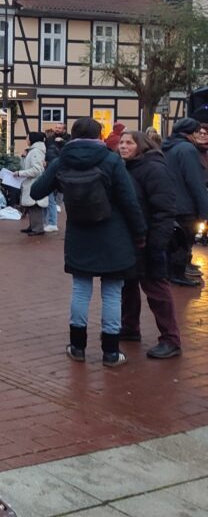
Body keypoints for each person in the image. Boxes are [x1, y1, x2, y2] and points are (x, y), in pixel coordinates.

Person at [31, 117, 146, 367]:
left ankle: (78, 347)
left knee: (81, 291)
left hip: (79, 235)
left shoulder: (62, 161)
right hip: (114, 235)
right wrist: (140, 233)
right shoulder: (112, 160)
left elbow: (36, 191)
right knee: (112, 293)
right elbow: (129, 202)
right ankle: (111, 352)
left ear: (72, 135)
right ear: (99, 135)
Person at [117, 130, 182, 359]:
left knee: (156, 288)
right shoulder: (125, 167)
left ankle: (170, 339)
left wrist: (156, 244)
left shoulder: (154, 168)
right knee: (129, 285)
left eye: (128, 143)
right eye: (121, 143)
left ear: (141, 146)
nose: (123, 146)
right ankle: (129, 328)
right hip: (130, 238)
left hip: (151, 239)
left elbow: (164, 209)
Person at [161, 117, 208, 287]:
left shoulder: (168, 146)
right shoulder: (187, 149)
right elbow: (195, 181)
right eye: (197, 132)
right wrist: (205, 210)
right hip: (185, 204)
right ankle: (178, 274)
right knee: (184, 240)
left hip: (171, 202)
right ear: (191, 133)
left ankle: (171, 272)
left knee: (175, 240)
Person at [16, 132, 48, 235]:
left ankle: (38, 228)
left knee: (35, 205)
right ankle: (33, 226)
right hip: (31, 183)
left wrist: (20, 173)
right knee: (31, 206)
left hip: (34, 183)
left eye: (28, 137)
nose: (26, 139)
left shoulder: (35, 152)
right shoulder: (32, 151)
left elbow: (36, 170)